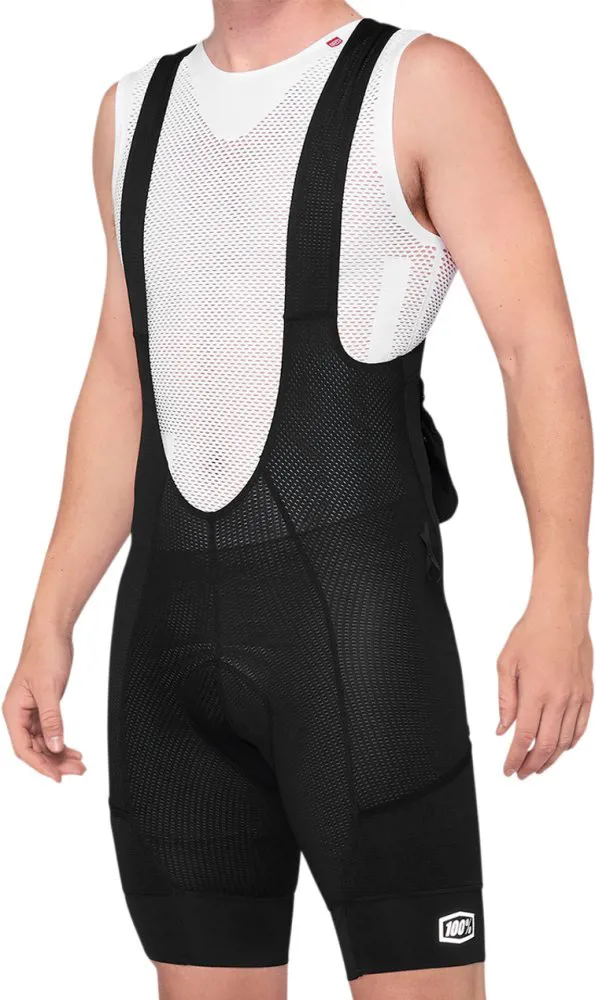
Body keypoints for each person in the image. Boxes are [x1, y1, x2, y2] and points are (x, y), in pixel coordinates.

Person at [3, 2, 593, 999]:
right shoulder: (130, 111)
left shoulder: (422, 84)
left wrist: (561, 593)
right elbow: (123, 372)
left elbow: (534, 349)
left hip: (358, 645)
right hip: (164, 661)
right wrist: (50, 615)